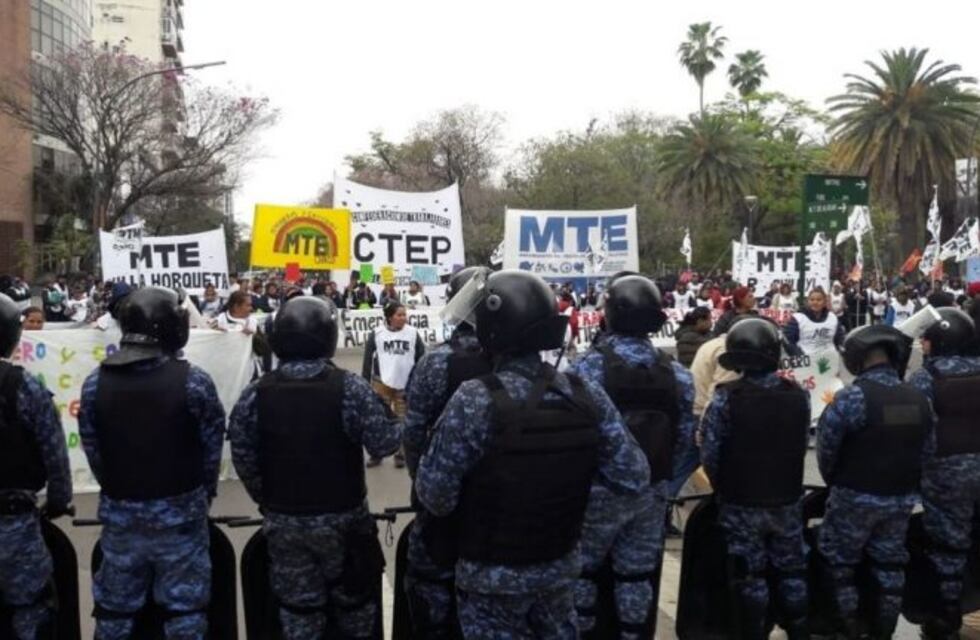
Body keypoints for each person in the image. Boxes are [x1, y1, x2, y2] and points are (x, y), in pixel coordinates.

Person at [415, 270, 648, 638]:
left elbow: (436, 497)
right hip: (559, 569)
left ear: (493, 326)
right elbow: (633, 476)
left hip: (490, 580)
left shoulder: (474, 399)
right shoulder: (584, 392)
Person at [229, 296, 400, 639]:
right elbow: (384, 443)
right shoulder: (349, 387)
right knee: (355, 615)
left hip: (285, 525)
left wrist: (271, 502)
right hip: (346, 525)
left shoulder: (255, 394)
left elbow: (244, 458)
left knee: (299, 617)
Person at [78, 287, 226, 640]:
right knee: (184, 613)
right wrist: (198, 499)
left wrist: (121, 493)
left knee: (115, 613)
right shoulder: (194, 381)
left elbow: (95, 453)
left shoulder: (95, 384)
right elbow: (211, 453)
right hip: (181, 520)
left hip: (121, 519)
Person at [571, 275, 696, 637]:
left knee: (584, 573)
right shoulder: (676, 373)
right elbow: (685, 437)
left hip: (597, 493)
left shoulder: (588, 368)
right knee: (636, 577)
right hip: (652, 492)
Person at [816, 324, 934, 638]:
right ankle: (884, 629)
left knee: (841, 565)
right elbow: (928, 451)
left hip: (854, 496)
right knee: (890, 565)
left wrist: (840, 483)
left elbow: (827, 453)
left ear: (857, 358)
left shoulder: (852, 398)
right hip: (900, 498)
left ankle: (848, 627)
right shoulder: (919, 398)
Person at [700, 318, 811, 638]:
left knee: (751, 574)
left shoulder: (726, 397)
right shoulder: (798, 395)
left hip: (741, 501)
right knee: (792, 569)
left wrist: (722, 488)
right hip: (787, 498)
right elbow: (801, 442)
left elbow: (711, 453)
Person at [402, 266, 494, 638]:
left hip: (443, 506)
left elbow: (412, 435)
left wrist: (426, 485)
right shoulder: (530, 364)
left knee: (432, 593)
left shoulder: (437, 363)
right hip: (506, 508)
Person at [0, 293, 72, 639]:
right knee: (29, 611)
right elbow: (54, 453)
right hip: (14, 527)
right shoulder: (23, 387)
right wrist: (58, 502)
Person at [907, 308, 980, 638]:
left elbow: (914, 429)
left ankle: (946, 618)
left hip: (945, 476)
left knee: (948, 549)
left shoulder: (925, 378)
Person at [362, 301, 425, 468]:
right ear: (390, 317)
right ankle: (377, 453)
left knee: (403, 420)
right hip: (381, 381)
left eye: (405, 314)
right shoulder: (377, 333)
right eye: (399, 315)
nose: (404, 318)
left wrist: (419, 380)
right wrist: (364, 382)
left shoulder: (412, 333)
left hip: (405, 384)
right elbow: (368, 358)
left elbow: (421, 357)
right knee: (378, 420)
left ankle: (401, 454)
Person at [783, 287, 846, 357]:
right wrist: (799, 355)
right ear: (807, 301)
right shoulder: (797, 318)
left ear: (825, 302)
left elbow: (840, 339)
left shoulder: (833, 318)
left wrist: (840, 349)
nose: (815, 302)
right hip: (805, 361)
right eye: (812, 300)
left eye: (819, 300)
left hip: (830, 360)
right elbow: (788, 341)